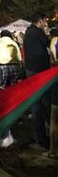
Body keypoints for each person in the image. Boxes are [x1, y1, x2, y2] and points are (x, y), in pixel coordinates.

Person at [23, 12, 51, 149]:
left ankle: (38, 135)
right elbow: (49, 44)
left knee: (36, 102)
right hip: (40, 71)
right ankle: (41, 138)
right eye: (45, 20)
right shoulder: (38, 32)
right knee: (41, 104)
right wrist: (46, 32)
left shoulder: (28, 32)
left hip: (30, 70)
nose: (46, 22)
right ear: (40, 21)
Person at [49, 28, 58, 157]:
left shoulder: (55, 40)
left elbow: (52, 61)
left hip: (56, 80)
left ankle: (53, 150)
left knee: (55, 118)